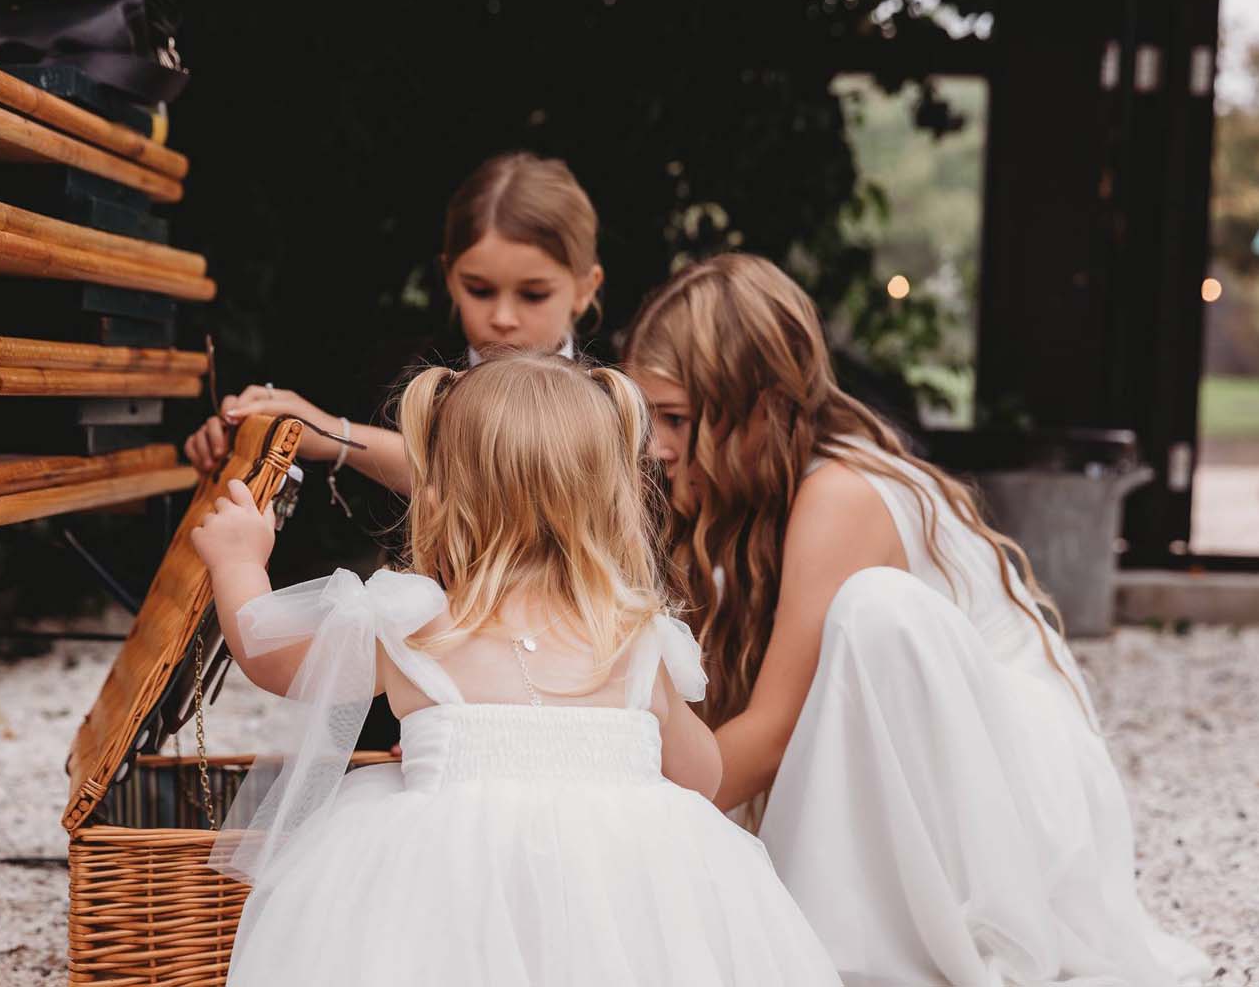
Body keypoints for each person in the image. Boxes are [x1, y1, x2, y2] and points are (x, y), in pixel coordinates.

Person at [624, 252, 1212, 987]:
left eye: (676, 417)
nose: (657, 446)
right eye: (648, 417)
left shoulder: (841, 494)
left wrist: (618, 809)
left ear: (764, 405)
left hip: (1018, 798)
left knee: (878, 613)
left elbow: (770, 735)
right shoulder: (734, 505)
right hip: (947, 772)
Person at [191, 352, 843, 986]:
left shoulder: (419, 622)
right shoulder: (635, 637)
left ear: (443, 493)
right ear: (610, 498)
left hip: (444, 895)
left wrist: (240, 561)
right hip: (626, 904)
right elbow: (701, 777)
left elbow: (271, 657)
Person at [183, 150, 605, 500]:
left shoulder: (623, 396)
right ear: (449, 277)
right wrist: (246, 441)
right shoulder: (402, 385)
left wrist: (334, 434)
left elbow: (484, 480)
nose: (503, 318)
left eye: (533, 295)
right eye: (479, 290)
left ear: (587, 288)